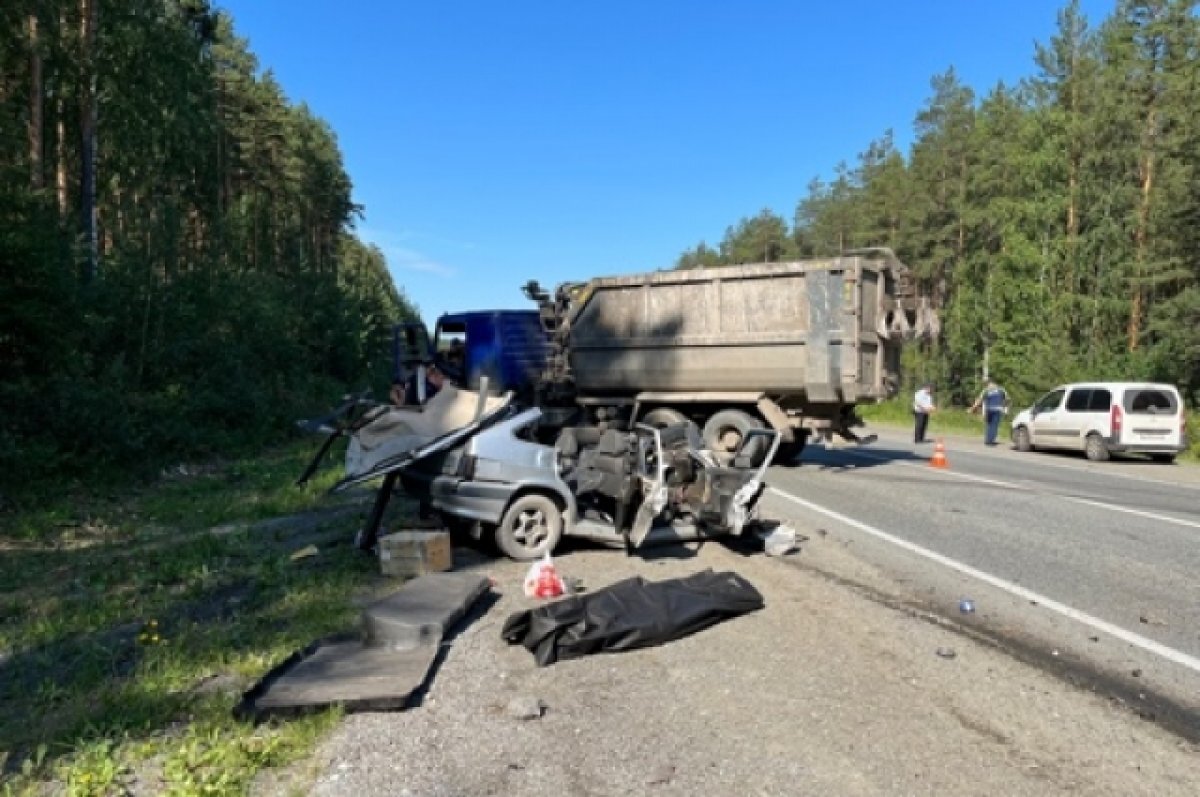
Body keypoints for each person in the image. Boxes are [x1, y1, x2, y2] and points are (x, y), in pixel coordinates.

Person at [971, 379, 1010, 446]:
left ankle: (988, 440)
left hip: (989, 409)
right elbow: (1007, 399)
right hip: (998, 409)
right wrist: (1006, 409)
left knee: (989, 425)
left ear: (989, 384)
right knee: (994, 426)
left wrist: (973, 408)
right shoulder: (1001, 390)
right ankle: (990, 441)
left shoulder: (986, 390)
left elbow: (979, 400)